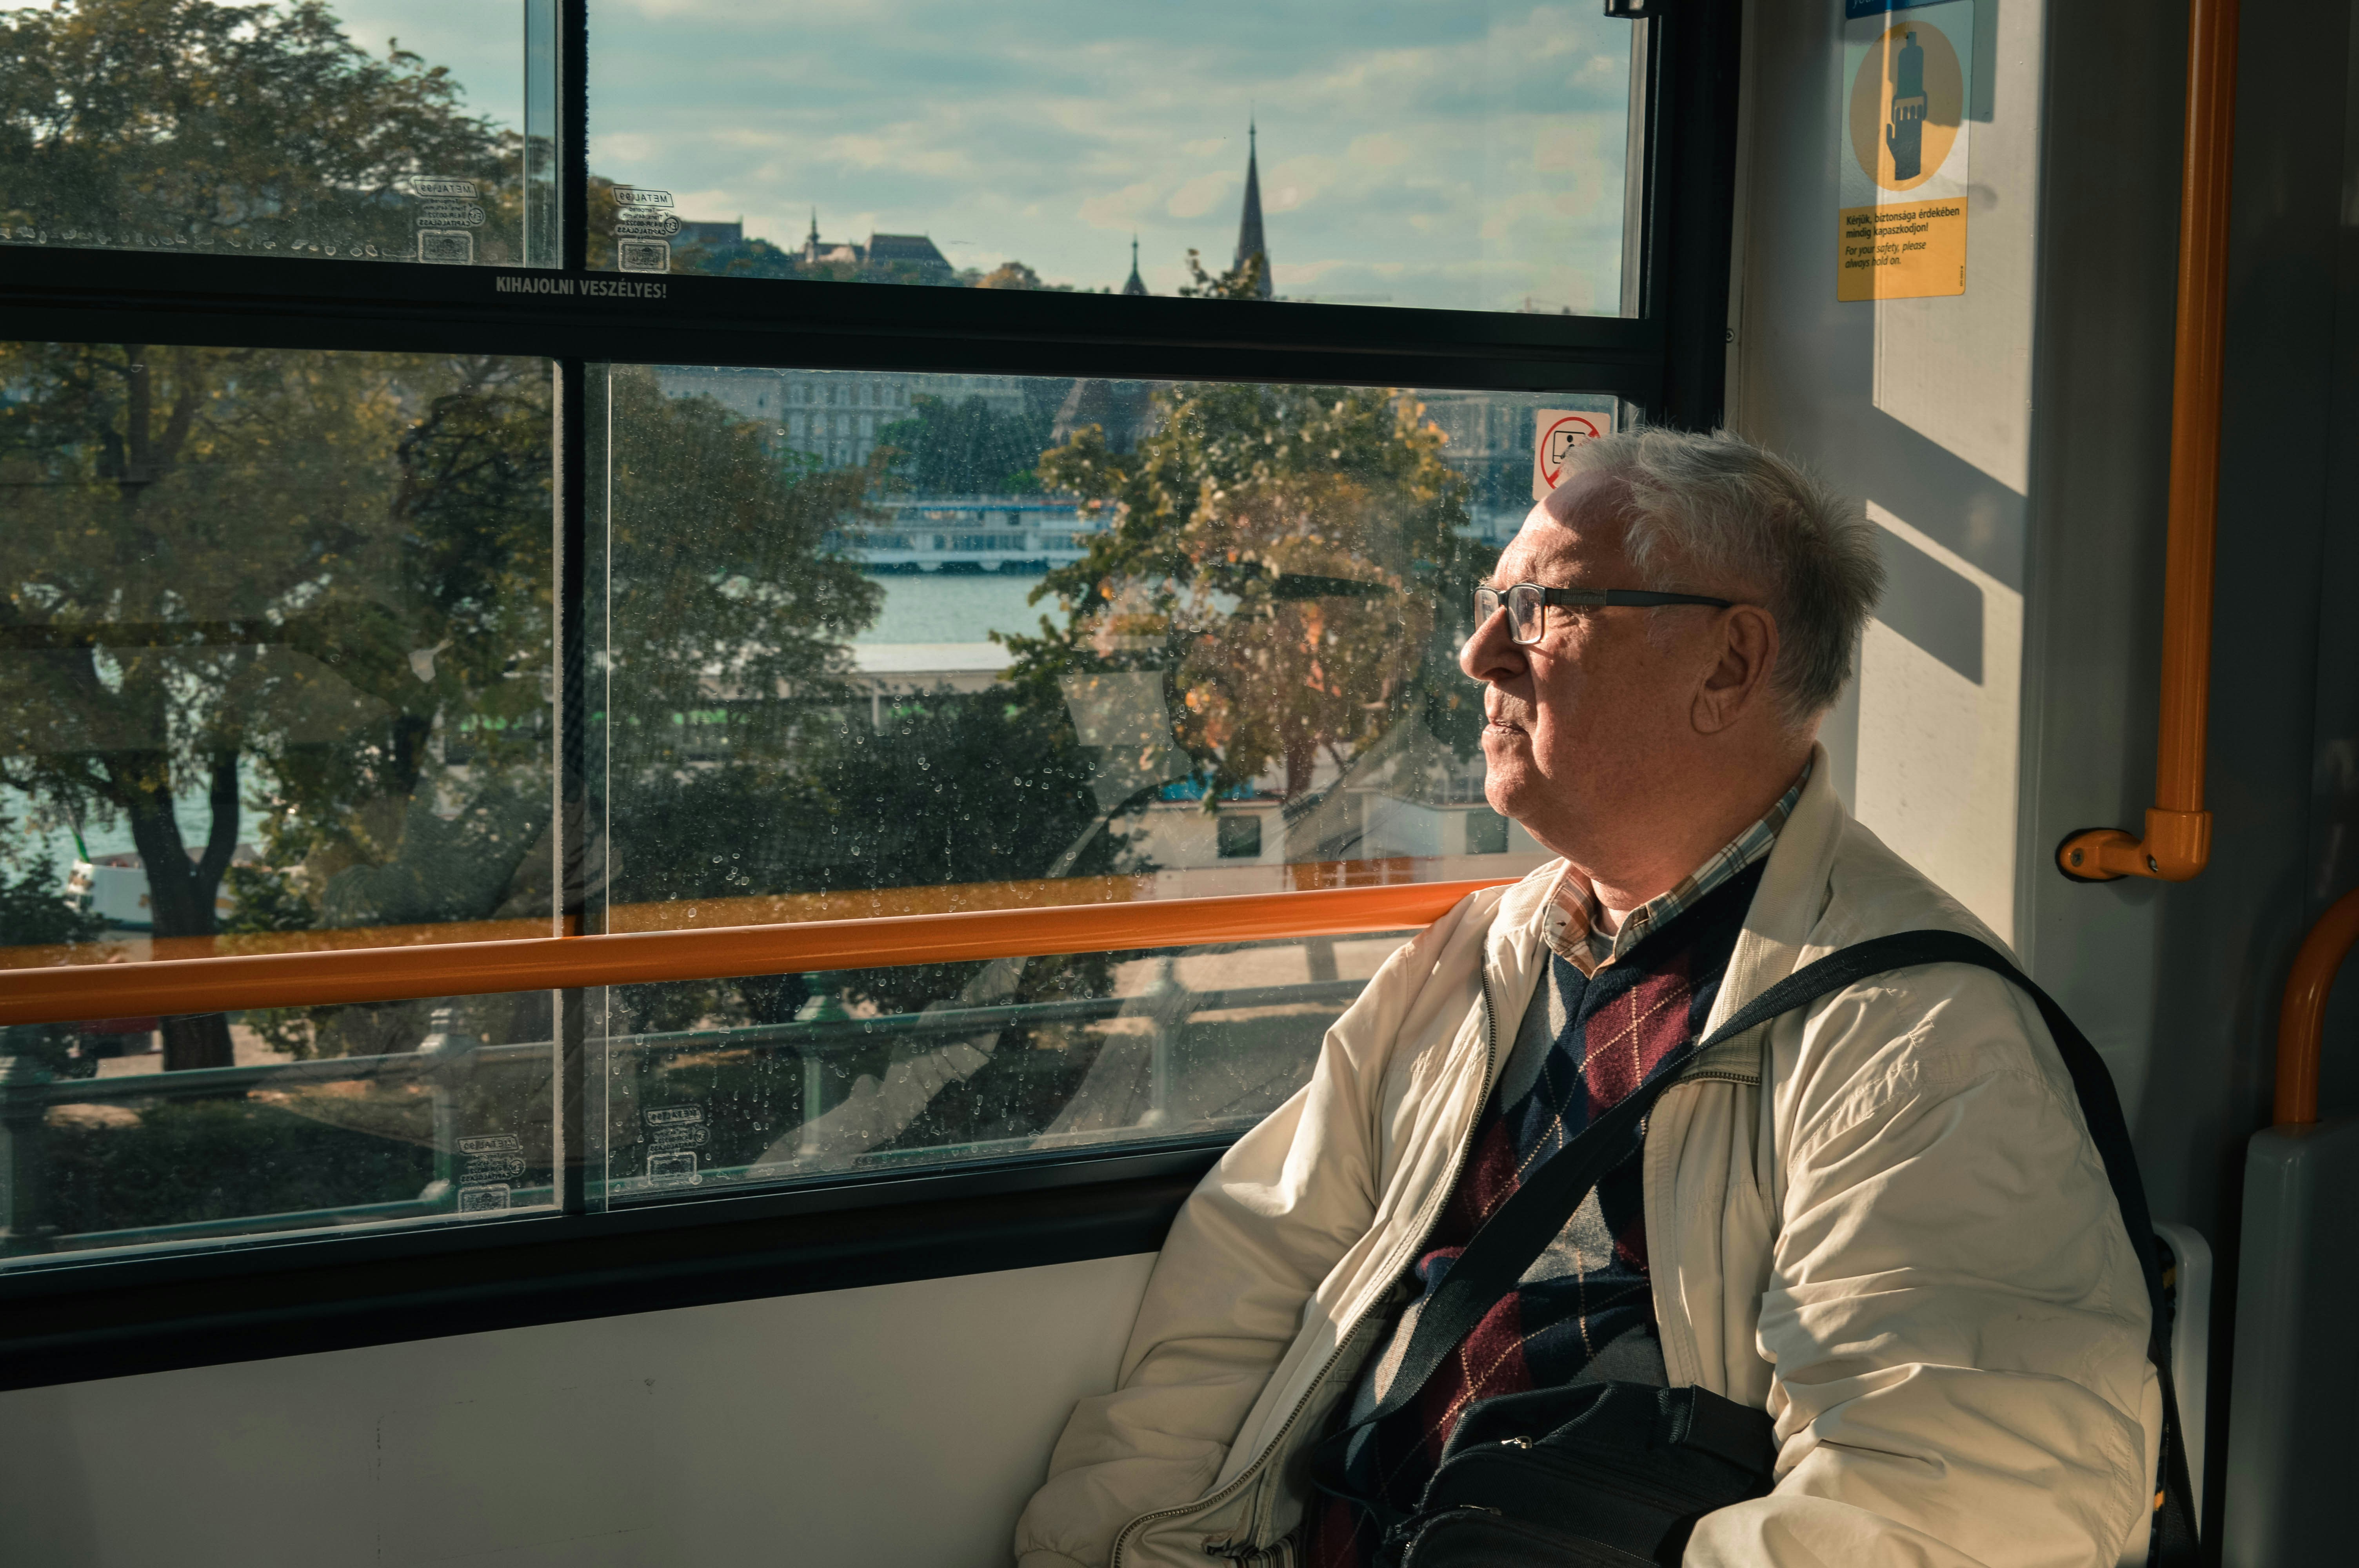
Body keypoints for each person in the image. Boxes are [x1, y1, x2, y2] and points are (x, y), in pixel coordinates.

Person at [1012, 428, 2157, 1568]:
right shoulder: (1478, 963)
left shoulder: (1917, 1041)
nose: (1476, 656)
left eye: (1541, 608)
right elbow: (1256, 1278)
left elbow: (1948, 1506)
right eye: (1489, 601)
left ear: (1729, 665)